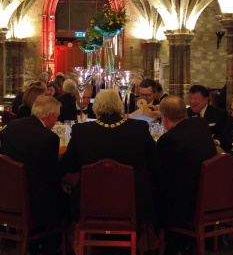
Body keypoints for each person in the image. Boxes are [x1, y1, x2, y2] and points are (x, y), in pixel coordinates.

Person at [61, 90, 159, 224]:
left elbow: (68, 165)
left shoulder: (81, 131)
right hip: (133, 202)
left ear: (96, 108)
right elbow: (154, 163)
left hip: (90, 201)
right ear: (119, 106)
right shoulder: (139, 128)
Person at [156, 96, 217, 251]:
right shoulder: (201, 124)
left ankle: (166, 243)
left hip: (186, 204)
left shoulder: (169, 140)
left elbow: (163, 177)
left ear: (164, 118)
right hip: (211, 195)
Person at [1, 96, 66, 236]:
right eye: (57, 117)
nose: (56, 122)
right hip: (34, 201)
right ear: (50, 116)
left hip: (8, 193)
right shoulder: (48, 138)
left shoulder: (12, 126)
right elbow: (53, 176)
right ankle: (53, 245)